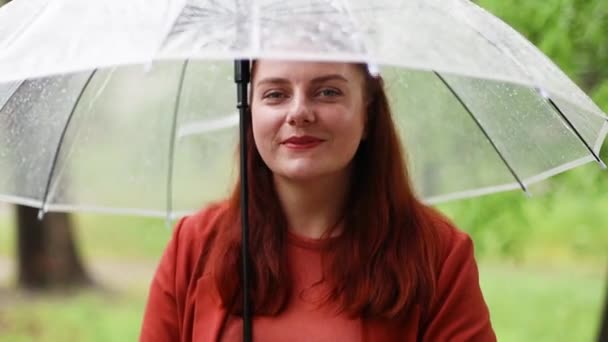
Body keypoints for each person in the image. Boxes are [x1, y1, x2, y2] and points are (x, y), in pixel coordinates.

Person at [140, 60, 496, 341]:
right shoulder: (196, 244)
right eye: (275, 94)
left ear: (368, 113)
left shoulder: (438, 255)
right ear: (249, 112)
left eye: (327, 92)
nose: (299, 113)